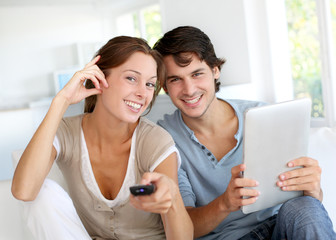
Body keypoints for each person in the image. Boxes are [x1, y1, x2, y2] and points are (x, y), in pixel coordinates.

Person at [153, 26, 336, 239]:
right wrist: (225, 203)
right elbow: (184, 229)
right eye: (175, 79)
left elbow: (303, 205)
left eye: (197, 74)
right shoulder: (163, 138)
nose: (189, 89)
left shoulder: (265, 114)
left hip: (281, 226)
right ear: (165, 86)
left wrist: (314, 191)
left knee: (307, 208)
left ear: (215, 70)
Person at [11, 36, 193, 240]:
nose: (143, 93)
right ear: (100, 77)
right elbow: (24, 192)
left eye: (150, 84)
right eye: (131, 78)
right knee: (43, 193)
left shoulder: (154, 142)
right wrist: (61, 101)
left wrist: (174, 199)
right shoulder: (67, 133)